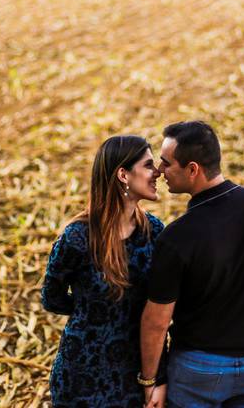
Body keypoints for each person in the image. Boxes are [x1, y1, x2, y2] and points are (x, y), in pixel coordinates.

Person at [140, 121, 244, 408]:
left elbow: (157, 321)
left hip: (199, 370)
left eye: (166, 163)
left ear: (192, 170)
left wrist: (150, 382)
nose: (160, 171)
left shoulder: (177, 237)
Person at [42, 135, 168, 407]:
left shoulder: (155, 232)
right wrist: (91, 312)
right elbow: (51, 297)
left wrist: (158, 377)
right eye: (148, 165)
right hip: (81, 375)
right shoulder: (77, 238)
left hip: (135, 375)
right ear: (123, 174)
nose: (157, 172)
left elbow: (162, 313)